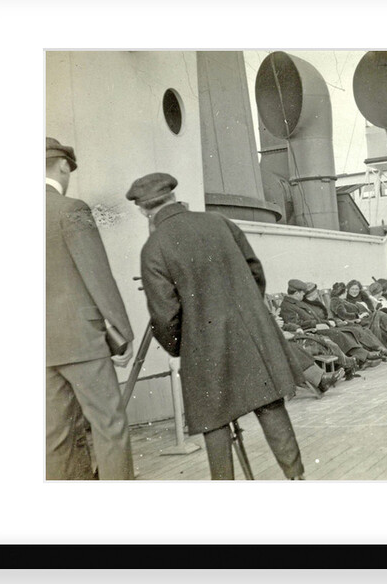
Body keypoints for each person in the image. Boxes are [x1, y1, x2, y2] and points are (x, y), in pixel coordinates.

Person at [127, 172, 306, 480]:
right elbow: (255, 272)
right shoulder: (220, 222)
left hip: (204, 346)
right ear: (173, 197)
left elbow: (164, 314)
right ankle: (296, 476)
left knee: (214, 420)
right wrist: (245, 311)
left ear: (144, 210)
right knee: (269, 404)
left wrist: (182, 345)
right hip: (250, 334)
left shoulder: (153, 248)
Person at [45, 137, 135, 480]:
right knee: (108, 427)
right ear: (64, 165)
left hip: (41, 349)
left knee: (55, 438)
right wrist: (121, 332)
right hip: (82, 341)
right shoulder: (71, 209)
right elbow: (98, 276)